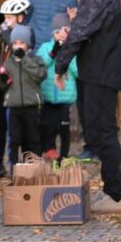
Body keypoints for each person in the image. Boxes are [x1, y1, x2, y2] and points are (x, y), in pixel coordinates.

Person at [55, 0, 121, 214]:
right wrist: (69, 34)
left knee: (104, 133)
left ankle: (116, 196)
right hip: (92, 70)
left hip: (102, 71)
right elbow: (83, 29)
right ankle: (113, 191)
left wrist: (60, 66)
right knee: (95, 134)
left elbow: (82, 32)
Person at [0, 24, 47, 168]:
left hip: (31, 106)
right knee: (14, 141)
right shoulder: (9, 62)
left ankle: (35, 170)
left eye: (22, 43)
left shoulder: (36, 60)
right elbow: (1, 85)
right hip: (13, 106)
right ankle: (14, 171)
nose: (18, 46)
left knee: (33, 140)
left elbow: (40, 75)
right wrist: (3, 80)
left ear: (28, 44)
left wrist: (24, 59)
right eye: (15, 43)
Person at [0, 0, 31, 178]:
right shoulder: (2, 33)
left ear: (21, 17)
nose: (6, 20)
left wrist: (7, 34)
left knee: (18, 128)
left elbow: (18, 51)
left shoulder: (26, 34)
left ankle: (22, 162)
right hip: (2, 84)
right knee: (0, 125)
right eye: (5, 17)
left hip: (18, 86)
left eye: (10, 17)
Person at [36, 13, 78, 161]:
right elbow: (41, 65)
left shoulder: (73, 49)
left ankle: (64, 157)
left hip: (65, 98)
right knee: (47, 127)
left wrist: (68, 56)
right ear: (52, 33)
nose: (60, 36)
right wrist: (54, 52)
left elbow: (77, 71)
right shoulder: (45, 47)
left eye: (63, 32)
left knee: (64, 130)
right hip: (47, 98)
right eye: (56, 32)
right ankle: (50, 152)